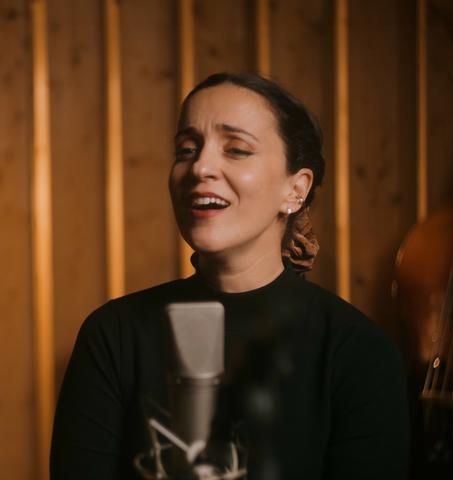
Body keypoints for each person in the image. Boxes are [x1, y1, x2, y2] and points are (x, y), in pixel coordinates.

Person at [50, 73, 410, 479]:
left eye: (236, 149)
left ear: (295, 189)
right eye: (186, 150)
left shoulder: (358, 353)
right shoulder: (113, 335)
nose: (200, 167)